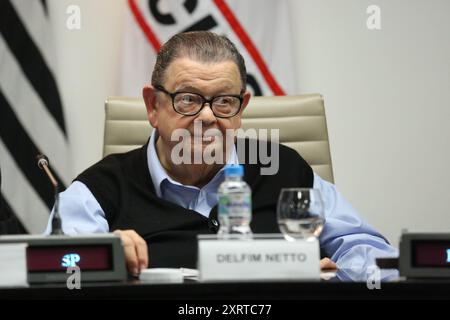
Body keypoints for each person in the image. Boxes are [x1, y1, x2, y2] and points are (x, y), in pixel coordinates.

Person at [45, 31, 397, 276]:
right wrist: (101, 256)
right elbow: (54, 267)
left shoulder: (286, 170)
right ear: (153, 105)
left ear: (241, 108)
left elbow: (370, 251)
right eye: (188, 99)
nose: (208, 116)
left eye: (224, 101)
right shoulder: (101, 189)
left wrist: (339, 276)